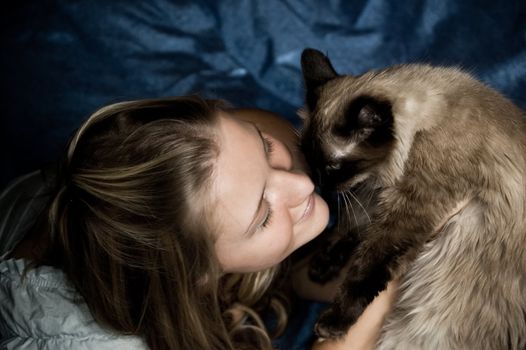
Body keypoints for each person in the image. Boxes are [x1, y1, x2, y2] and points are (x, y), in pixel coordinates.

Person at [0, 96, 396, 350]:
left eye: (263, 147)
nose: (304, 183)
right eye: (263, 216)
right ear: (199, 275)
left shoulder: (125, 174)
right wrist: (383, 281)